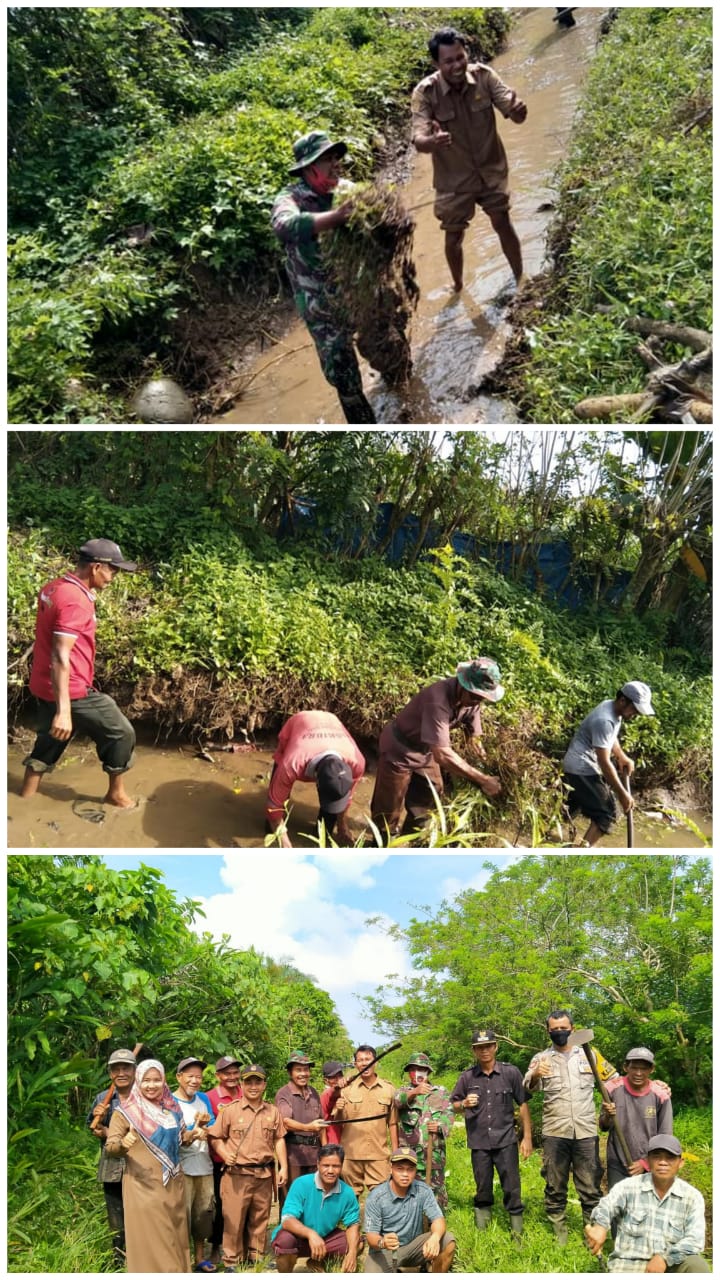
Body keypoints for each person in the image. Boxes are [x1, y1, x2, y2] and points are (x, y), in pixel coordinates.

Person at [21, 539, 137, 808]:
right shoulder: (75, 601)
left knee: (51, 739)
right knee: (121, 732)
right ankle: (115, 793)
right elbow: (61, 656)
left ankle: (25, 798)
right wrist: (64, 710)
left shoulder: (53, 588)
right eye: (113, 570)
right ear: (97, 567)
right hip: (69, 688)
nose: (113, 578)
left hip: (43, 683)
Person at [410, 28, 528, 292]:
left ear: (466, 54)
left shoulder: (484, 76)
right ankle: (458, 286)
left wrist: (520, 110)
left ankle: (521, 280)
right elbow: (419, 140)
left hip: (491, 169)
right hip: (453, 180)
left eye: (460, 57)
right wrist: (433, 141)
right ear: (436, 64)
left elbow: (514, 112)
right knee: (453, 237)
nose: (456, 65)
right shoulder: (424, 93)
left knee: (502, 222)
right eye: (448, 61)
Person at [271, 131, 376, 424]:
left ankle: (403, 387)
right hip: (322, 305)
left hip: (358, 293)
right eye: (326, 159)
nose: (335, 165)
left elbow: (378, 211)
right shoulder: (291, 198)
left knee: (387, 347)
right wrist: (334, 219)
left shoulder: (347, 190)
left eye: (335, 158)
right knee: (344, 375)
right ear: (308, 168)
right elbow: (283, 225)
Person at [370, 657, 504, 842]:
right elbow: (442, 754)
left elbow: (472, 726)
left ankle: (412, 840)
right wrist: (482, 779)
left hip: (425, 752)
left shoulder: (472, 701)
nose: (477, 702)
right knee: (388, 808)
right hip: (400, 750)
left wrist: (475, 742)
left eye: (482, 699)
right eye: (475, 696)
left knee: (430, 793)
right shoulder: (438, 700)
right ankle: (382, 843)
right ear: (463, 685)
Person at [523, 1009, 617, 1244]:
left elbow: (614, 1081)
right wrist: (535, 1074)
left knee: (590, 1186)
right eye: (554, 1029)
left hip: (585, 1131)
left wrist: (651, 1084)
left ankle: (592, 1236)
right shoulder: (541, 1058)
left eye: (563, 1028)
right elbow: (527, 1087)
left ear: (572, 1029)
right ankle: (560, 1237)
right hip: (555, 1132)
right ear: (548, 1031)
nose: (559, 1032)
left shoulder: (589, 1054)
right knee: (555, 1185)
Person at [105, 1058, 191, 1273]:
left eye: (157, 1080)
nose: (152, 1085)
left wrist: (196, 1132)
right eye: (146, 1080)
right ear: (138, 1082)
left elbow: (181, 1140)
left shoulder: (172, 1109)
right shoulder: (125, 1112)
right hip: (143, 1186)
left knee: (176, 1235)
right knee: (156, 1239)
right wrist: (123, 1145)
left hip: (173, 1183)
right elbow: (111, 1146)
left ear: (164, 1081)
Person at [585, 1135, 709, 1272]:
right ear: (648, 1161)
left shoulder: (692, 1197)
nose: (663, 1162)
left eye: (670, 1157)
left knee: (697, 1265)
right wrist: (600, 1225)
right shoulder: (628, 1187)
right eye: (657, 1157)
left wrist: (664, 1258)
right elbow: (606, 1206)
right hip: (629, 1265)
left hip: (670, 1265)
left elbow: (695, 1240)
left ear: (681, 1162)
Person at [450, 1029, 532, 1236]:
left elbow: (523, 1104)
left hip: (506, 1141)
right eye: (480, 1048)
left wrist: (527, 1138)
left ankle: (517, 1234)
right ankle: (483, 1234)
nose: (484, 1051)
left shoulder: (510, 1072)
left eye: (488, 1046)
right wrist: (464, 1103)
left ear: (495, 1047)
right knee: (483, 1187)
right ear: (474, 1051)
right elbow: (452, 1105)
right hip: (479, 1143)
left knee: (512, 1187)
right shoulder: (467, 1077)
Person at [206, 1064, 287, 1271]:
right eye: (248, 1081)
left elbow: (279, 1140)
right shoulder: (231, 1111)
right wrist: (224, 1154)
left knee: (260, 1218)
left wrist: (283, 1167)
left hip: (263, 1174)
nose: (253, 1086)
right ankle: (232, 1261)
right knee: (233, 1219)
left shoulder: (273, 1111)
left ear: (264, 1084)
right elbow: (215, 1136)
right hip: (236, 1175)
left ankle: (257, 1257)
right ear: (242, 1084)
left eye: (257, 1081)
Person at [563, 680, 655, 847]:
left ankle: (548, 837)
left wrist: (621, 756)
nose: (635, 714)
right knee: (607, 814)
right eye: (634, 710)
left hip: (579, 764)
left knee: (570, 808)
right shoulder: (604, 720)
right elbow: (604, 762)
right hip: (580, 768)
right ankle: (582, 852)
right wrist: (622, 794)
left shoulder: (612, 709)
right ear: (622, 700)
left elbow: (609, 739)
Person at [266, 710, 366, 849]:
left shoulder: (357, 763)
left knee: (325, 834)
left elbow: (347, 798)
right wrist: (284, 841)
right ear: (316, 781)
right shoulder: (292, 764)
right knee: (270, 826)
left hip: (331, 721)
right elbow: (273, 806)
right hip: (300, 722)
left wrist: (343, 826)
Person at [363, 1146, 456, 1273]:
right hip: (385, 1252)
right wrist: (382, 1242)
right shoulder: (376, 1197)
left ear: (415, 1171)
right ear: (391, 1169)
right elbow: (371, 1236)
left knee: (448, 1240)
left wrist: (435, 1237)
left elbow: (438, 1219)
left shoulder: (423, 1190)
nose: (405, 1174)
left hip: (415, 1248)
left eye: (410, 1169)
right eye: (400, 1169)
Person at [271, 1143, 361, 1273]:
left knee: (358, 1243)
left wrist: (352, 1253)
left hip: (324, 1239)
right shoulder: (301, 1183)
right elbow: (287, 1220)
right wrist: (311, 1234)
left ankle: (317, 1261)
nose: (330, 1171)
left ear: (342, 1166)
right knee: (285, 1242)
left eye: (335, 1166)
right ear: (318, 1164)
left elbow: (353, 1224)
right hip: (297, 1238)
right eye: (326, 1165)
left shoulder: (347, 1192)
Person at [86, 1047, 137, 1267]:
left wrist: (109, 1133)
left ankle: (140, 1258)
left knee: (140, 1212)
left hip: (139, 1165)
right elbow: (92, 1127)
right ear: (110, 1073)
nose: (121, 1072)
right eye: (116, 1069)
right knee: (116, 1214)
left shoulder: (144, 1095)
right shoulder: (103, 1098)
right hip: (112, 1165)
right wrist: (98, 1119)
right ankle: (118, 1259)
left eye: (126, 1067)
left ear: (135, 1071)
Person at [600, 1047, 673, 1189]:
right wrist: (608, 1115)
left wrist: (645, 1163)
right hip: (617, 1161)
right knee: (617, 1205)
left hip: (649, 1164)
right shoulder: (611, 1089)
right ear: (626, 1067)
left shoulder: (661, 1095)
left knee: (646, 1206)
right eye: (634, 1068)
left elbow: (665, 1138)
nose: (638, 1073)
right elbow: (603, 1126)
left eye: (644, 1069)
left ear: (652, 1069)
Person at [331, 1045, 398, 1197]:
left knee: (382, 1196)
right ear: (355, 1064)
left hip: (378, 1154)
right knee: (350, 1196)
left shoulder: (388, 1089)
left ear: (375, 1062)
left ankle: (376, 1222)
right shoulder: (347, 1089)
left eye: (368, 1059)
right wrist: (339, 1108)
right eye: (360, 1060)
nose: (364, 1063)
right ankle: (353, 1221)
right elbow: (339, 1122)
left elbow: (393, 1123)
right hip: (351, 1154)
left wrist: (395, 1153)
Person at [394, 1052, 454, 1209]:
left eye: (421, 1069)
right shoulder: (403, 1091)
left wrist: (440, 1126)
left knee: (436, 1195)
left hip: (434, 1155)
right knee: (408, 1194)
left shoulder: (440, 1092)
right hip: (410, 1155)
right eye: (413, 1069)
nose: (417, 1072)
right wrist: (415, 1092)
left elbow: (449, 1115)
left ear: (428, 1072)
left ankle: (435, 1227)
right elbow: (397, 1103)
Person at [172, 1057, 216, 1272]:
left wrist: (205, 1128)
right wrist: (193, 1128)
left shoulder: (203, 1099)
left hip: (204, 1166)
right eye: (190, 1076)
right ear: (179, 1077)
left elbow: (214, 1127)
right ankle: (183, 1261)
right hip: (181, 1168)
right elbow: (172, 1135)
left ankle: (200, 1258)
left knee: (203, 1214)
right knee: (182, 1215)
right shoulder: (170, 1102)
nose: (195, 1081)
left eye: (198, 1076)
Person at [206, 1055, 243, 1267]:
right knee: (221, 1207)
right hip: (219, 1161)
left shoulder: (245, 1092)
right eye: (227, 1073)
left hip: (245, 1161)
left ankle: (242, 1248)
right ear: (218, 1075)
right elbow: (212, 1131)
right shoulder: (209, 1097)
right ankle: (215, 1247)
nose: (232, 1077)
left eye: (235, 1072)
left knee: (243, 1205)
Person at [275, 1052, 327, 1202]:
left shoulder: (314, 1093)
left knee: (314, 1199)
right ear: (290, 1072)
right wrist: (308, 1127)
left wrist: (325, 1151)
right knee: (293, 1200)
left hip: (314, 1156)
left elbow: (321, 1124)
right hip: (293, 1158)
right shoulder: (284, 1094)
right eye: (299, 1070)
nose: (303, 1073)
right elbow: (285, 1121)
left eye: (306, 1069)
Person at [320, 1061, 347, 1145]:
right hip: (332, 1142)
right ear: (326, 1080)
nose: (338, 1079)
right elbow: (332, 1093)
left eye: (340, 1075)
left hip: (344, 1140)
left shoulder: (343, 1092)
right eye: (334, 1077)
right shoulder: (326, 1094)